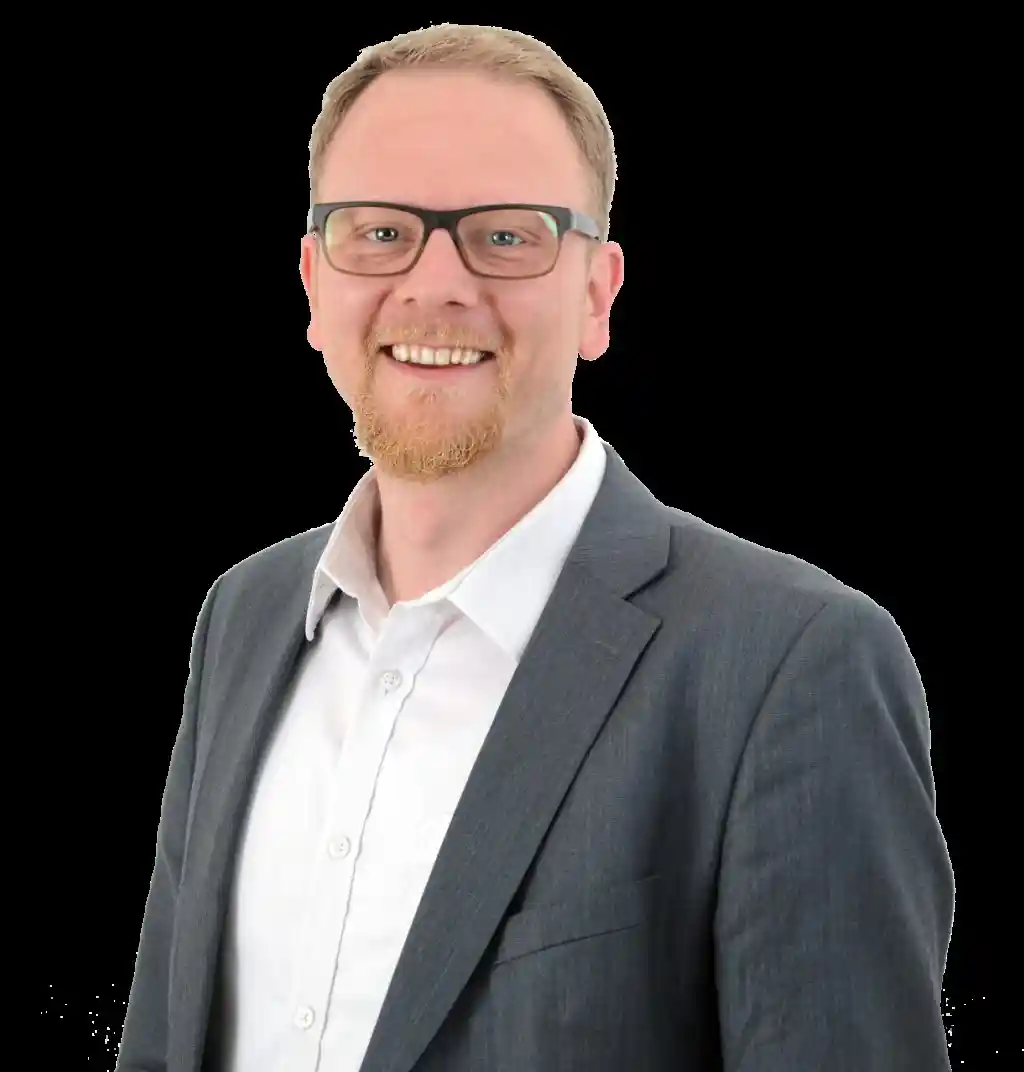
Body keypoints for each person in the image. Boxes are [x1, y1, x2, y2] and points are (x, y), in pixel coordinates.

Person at [116, 23, 955, 1072]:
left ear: (597, 293)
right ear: (313, 282)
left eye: (506, 237)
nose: (435, 284)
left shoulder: (791, 665)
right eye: (379, 231)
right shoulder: (242, 615)